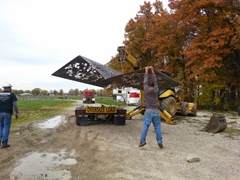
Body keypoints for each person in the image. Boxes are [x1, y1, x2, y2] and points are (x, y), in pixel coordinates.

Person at [139, 66, 163, 148]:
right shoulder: (156, 90)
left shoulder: (146, 89)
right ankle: (159, 141)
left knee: (145, 126)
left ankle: (142, 140)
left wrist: (146, 71)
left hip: (148, 111)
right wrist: (152, 71)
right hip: (156, 111)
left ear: (148, 85)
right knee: (157, 127)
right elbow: (156, 82)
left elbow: (145, 82)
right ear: (153, 85)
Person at [0, 83, 19, 149]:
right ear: (8, 88)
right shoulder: (12, 94)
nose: (11, 89)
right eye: (10, 87)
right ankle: (4, 144)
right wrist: (17, 112)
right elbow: (15, 105)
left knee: (0, 126)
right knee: (6, 127)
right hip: (7, 113)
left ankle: (0, 137)